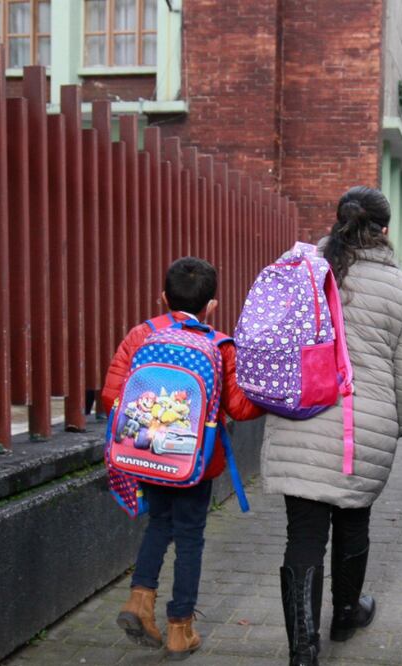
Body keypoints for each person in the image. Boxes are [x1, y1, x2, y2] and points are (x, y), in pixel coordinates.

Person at [260, 186, 402, 666]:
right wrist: (387, 422)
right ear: (384, 230)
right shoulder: (400, 288)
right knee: (354, 521)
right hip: (363, 425)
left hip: (300, 419)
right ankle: (346, 613)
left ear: (337, 220)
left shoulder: (303, 270)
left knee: (303, 535)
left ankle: (303, 650)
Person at [101, 257, 265, 659]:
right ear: (212, 305)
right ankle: (180, 628)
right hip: (196, 464)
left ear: (162, 297)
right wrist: (265, 397)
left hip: (144, 454)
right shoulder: (220, 344)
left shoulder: (142, 335)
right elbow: (240, 408)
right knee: (190, 537)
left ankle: (139, 602)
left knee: (159, 523)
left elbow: (112, 396)